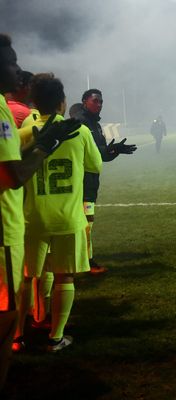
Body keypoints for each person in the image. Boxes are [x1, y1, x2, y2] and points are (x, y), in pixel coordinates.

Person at [0, 34, 81, 364]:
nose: (18, 70)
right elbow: (10, 176)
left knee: (28, 282)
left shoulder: (10, 114)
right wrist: (45, 145)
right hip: (6, 229)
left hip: (29, 220)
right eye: (11, 62)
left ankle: (23, 333)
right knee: (7, 307)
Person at [13, 73, 102, 352]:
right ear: (63, 101)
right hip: (67, 216)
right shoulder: (79, 131)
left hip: (32, 217)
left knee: (27, 278)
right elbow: (95, 166)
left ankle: (16, 336)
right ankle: (55, 337)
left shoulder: (24, 132)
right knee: (65, 276)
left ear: (34, 102)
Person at [75, 89, 137, 274]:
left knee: (86, 221)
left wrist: (115, 150)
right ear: (85, 101)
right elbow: (86, 153)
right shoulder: (82, 123)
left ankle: (82, 260)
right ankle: (86, 262)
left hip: (91, 180)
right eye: (95, 101)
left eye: (101, 101)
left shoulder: (95, 124)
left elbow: (100, 155)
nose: (99, 104)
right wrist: (107, 151)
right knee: (86, 221)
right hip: (82, 181)